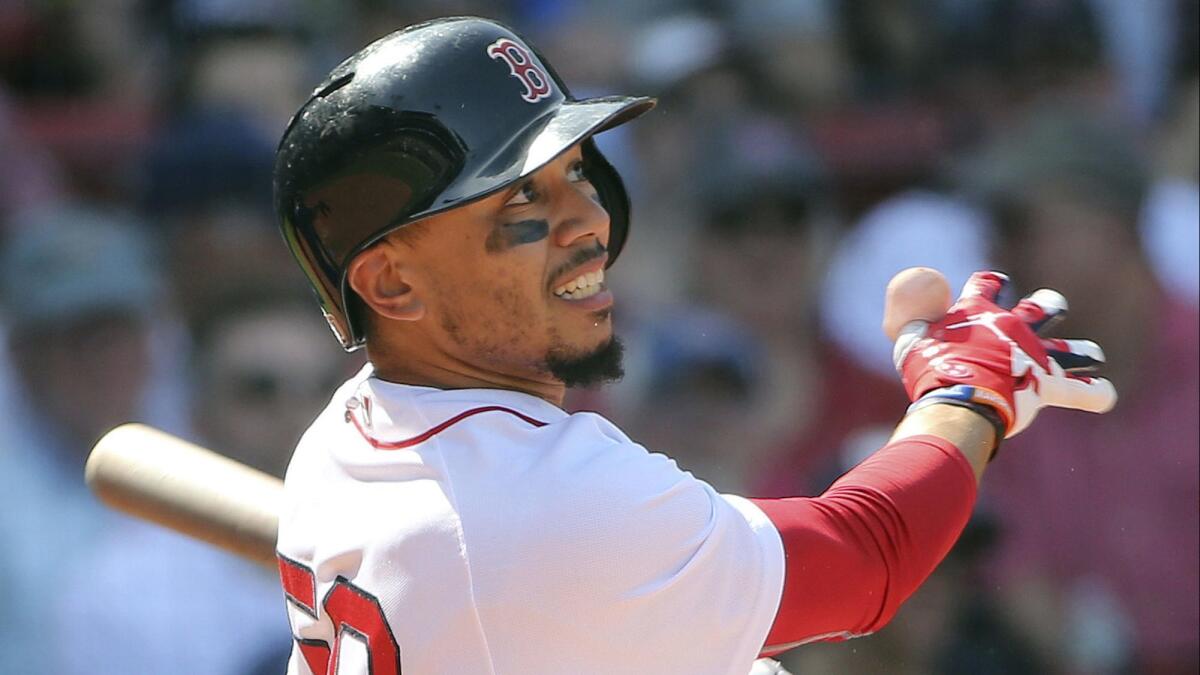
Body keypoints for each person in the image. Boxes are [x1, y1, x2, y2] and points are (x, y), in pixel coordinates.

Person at [271, 17, 1117, 674]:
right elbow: (867, 558)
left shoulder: (345, 437)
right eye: (521, 201)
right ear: (392, 284)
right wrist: (966, 396)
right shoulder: (544, 498)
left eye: (577, 173)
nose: (590, 221)